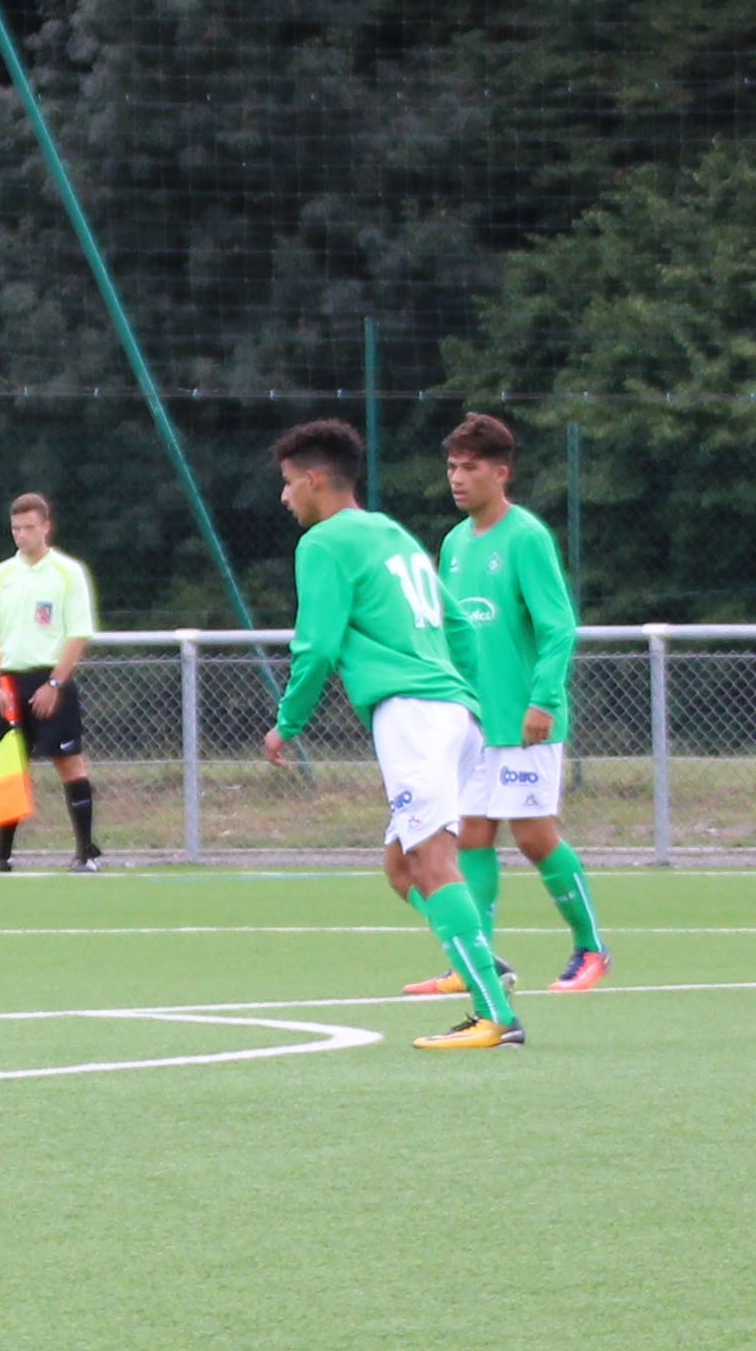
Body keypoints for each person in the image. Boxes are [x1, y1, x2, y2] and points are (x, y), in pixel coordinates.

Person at [255, 420, 520, 1048]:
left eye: (288, 483)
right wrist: (468, 700)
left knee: (431, 861)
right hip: (451, 713)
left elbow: (316, 645)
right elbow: (459, 626)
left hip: (413, 713)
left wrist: (288, 723)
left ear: (314, 480)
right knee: (402, 867)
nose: (285, 496)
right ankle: (481, 963)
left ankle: (496, 1016)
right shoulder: (390, 533)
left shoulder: (323, 543)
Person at [412, 412, 611, 999]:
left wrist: (543, 700)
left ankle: (591, 947)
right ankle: (478, 962)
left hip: (525, 720)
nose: (456, 478)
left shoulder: (526, 537)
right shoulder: (453, 543)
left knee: (533, 836)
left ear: (501, 473)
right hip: (474, 721)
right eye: (451, 467)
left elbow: (558, 627)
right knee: (471, 835)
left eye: (469, 468)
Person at [0, 489, 104, 870]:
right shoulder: (0, 575)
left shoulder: (67, 572)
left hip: (50, 681)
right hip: (10, 683)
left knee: (69, 763)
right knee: (6, 770)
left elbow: (78, 633)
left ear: (46, 527)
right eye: (16, 528)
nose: (21, 535)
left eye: (29, 527)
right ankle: (1, 855)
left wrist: (54, 684)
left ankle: (86, 852)